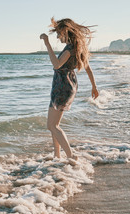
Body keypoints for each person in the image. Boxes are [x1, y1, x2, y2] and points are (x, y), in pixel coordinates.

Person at [40, 18, 99, 161]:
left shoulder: (70, 49)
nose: (58, 37)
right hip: (66, 86)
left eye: (59, 34)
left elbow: (56, 64)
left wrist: (47, 44)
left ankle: (71, 156)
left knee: (52, 125)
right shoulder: (77, 48)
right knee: (54, 125)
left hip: (62, 87)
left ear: (66, 32)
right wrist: (94, 87)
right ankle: (57, 156)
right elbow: (88, 69)